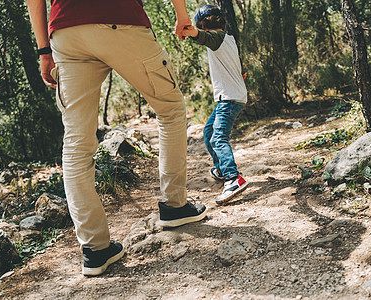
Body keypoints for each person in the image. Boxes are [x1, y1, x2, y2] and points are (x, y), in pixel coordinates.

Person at [26, 0, 207, 276]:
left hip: (66, 32)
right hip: (120, 18)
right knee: (170, 108)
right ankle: (175, 205)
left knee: (76, 142)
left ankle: (95, 249)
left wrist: (43, 50)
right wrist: (182, 16)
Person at [182, 5, 249, 205]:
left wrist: (189, 31)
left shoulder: (216, 39)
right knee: (209, 131)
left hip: (228, 98)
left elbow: (202, 37)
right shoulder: (229, 40)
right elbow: (241, 69)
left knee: (218, 137)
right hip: (232, 96)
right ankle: (221, 169)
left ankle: (232, 178)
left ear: (203, 25)